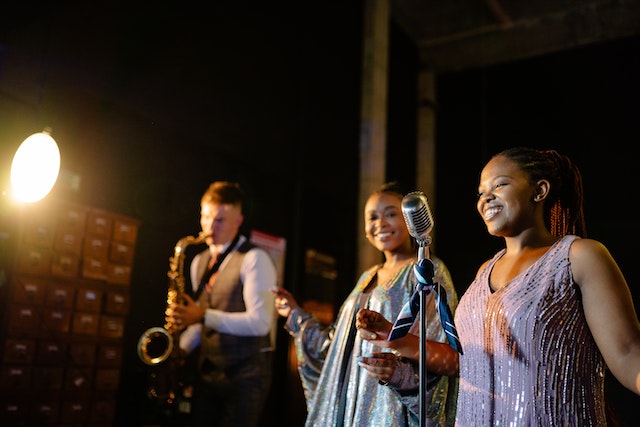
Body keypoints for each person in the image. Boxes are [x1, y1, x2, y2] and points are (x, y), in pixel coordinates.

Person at [359, 147, 640, 426]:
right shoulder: (484, 272)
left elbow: (628, 354)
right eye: (481, 192)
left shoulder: (578, 256)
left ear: (539, 190)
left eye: (500, 184)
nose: (486, 198)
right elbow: (469, 365)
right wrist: (394, 339)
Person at [272, 181, 459, 426]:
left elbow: (442, 349)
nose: (380, 223)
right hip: (350, 402)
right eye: (372, 217)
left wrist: (399, 371)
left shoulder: (426, 271)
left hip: (388, 404)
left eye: (391, 214)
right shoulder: (366, 277)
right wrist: (295, 314)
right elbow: (335, 349)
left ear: (410, 220)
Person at [170, 181, 278, 427]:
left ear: (238, 221)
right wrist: (181, 350)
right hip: (208, 374)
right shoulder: (199, 261)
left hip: (246, 376)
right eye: (205, 217)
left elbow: (260, 323)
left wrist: (202, 315)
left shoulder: (255, 258)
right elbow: (200, 323)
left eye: (219, 220)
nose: (209, 226)